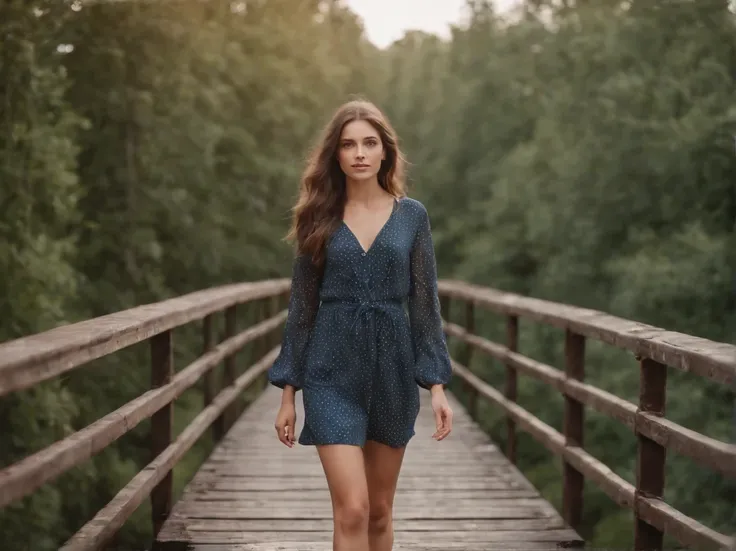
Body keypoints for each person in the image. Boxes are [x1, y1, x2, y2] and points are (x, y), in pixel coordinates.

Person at [267, 99, 453, 551]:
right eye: (348, 145)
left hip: (392, 372)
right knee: (351, 508)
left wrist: (436, 385)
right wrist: (289, 392)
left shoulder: (413, 216)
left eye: (370, 143)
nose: (360, 153)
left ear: (386, 151)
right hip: (331, 373)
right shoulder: (318, 217)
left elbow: (425, 304)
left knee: (380, 510)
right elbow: (302, 309)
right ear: (336, 154)